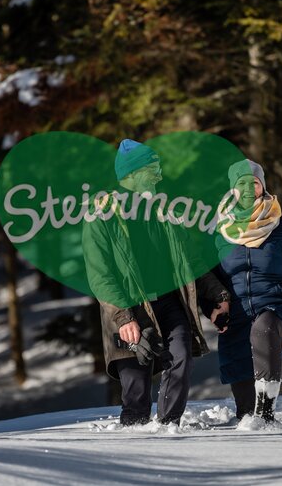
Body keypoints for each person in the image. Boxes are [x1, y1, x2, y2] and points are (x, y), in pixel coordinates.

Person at [82, 138, 230, 426]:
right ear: (133, 173)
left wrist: (215, 298)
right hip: (127, 308)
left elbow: (190, 262)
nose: (159, 175)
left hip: (169, 302)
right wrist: (124, 317)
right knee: (136, 388)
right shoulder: (102, 216)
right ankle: (133, 442)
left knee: (181, 358)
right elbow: (100, 275)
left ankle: (168, 426)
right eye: (153, 169)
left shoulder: (166, 211)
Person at [210, 158, 282, 422]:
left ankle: (267, 411)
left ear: (263, 187)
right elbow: (210, 283)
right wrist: (215, 308)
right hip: (236, 319)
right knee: (245, 414)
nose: (250, 189)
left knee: (265, 325)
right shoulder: (219, 233)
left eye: (255, 183)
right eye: (243, 184)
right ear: (232, 190)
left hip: (278, 310)